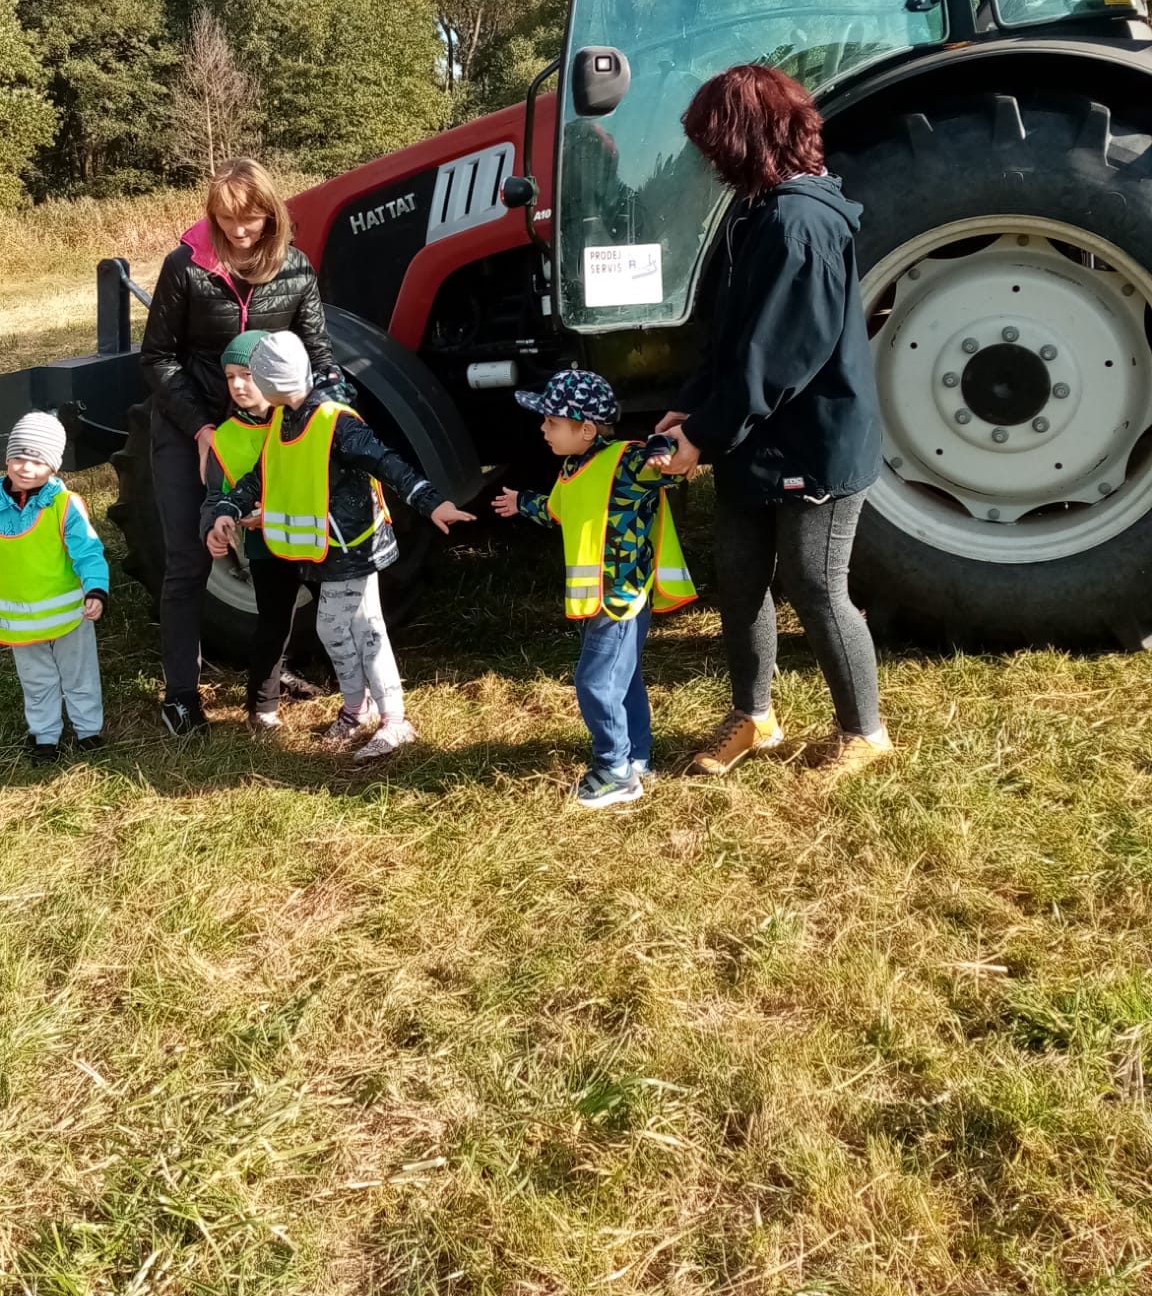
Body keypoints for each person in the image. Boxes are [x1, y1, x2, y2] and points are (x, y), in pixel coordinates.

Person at [652, 63, 891, 782]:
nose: (704, 157)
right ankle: (754, 716)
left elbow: (776, 360)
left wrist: (699, 438)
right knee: (741, 578)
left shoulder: (800, 224)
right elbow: (732, 337)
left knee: (817, 586)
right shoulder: (760, 212)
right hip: (757, 441)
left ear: (743, 138)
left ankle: (865, 732)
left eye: (710, 141)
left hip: (814, 444)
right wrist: (690, 405)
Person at [203, 331, 475, 761]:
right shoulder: (284, 419)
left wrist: (430, 501)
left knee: (347, 628)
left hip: (355, 548)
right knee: (365, 627)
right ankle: (362, 710)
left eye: (255, 377)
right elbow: (262, 475)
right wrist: (229, 508)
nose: (246, 386)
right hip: (325, 548)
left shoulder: (335, 421)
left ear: (274, 382)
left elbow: (386, 462)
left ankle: (389, 718)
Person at [141, 157, 333, 736]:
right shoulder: (185, 269)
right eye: (226, 220)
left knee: (279, 556)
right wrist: (202, 431)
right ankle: (180, 694)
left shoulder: (296, 269)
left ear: (270, 213)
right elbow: (157, 358)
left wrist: (327, 422)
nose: (239, 231)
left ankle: (269, 678)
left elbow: (319, 357)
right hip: (190, 428)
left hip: (267, 432)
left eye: (249, 219)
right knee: (190, 557)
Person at [493, 369, 695, 809]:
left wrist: (662, 449)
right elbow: (557, 510)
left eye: (551, 422)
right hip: (599, 601)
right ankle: (636, 758)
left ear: (585, 429)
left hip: (619, 601)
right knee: (621, 681)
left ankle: (615, 770)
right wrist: (521, 503)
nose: (542, 429)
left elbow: (661, 463)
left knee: (595, 682)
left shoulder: (624, 461)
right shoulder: (573, 466)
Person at [0, 410, 109, 766]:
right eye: (18, 456)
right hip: (21, 621)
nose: (25, 466)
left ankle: (89, 732)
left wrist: (96, 589)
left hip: (72, 614)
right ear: (6, 458)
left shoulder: (63, 506)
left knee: (80, 675)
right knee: (37, 681)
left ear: (53, 466)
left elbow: (88, 551)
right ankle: (45, 736)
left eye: (37, 459)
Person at [200, 330, 306, 734]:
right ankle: (262, 708)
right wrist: (216, 526)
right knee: (273, 619)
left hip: (317, 538)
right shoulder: (224, 438)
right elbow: (216, 497)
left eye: (247, 374)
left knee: (335, 615)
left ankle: (357, 696)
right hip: (265, 545)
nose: (240, 386)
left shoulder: (300, 419)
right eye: (230, 378)